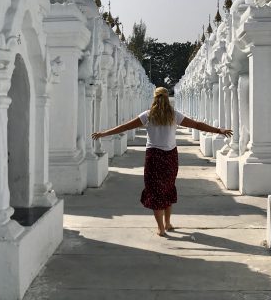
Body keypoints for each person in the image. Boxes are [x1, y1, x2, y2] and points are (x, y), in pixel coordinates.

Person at [92, 87, 232, 237]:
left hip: (154, 156)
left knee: (155, 190)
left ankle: (161, 228)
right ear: (167, 98)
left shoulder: (148, 115)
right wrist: (219, 130)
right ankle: (168, 223)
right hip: (170, 156)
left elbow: (125, 126)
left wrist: (103, 134)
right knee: (167, 188)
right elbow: (197, 125)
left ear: (154, 98)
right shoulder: (173, 115)